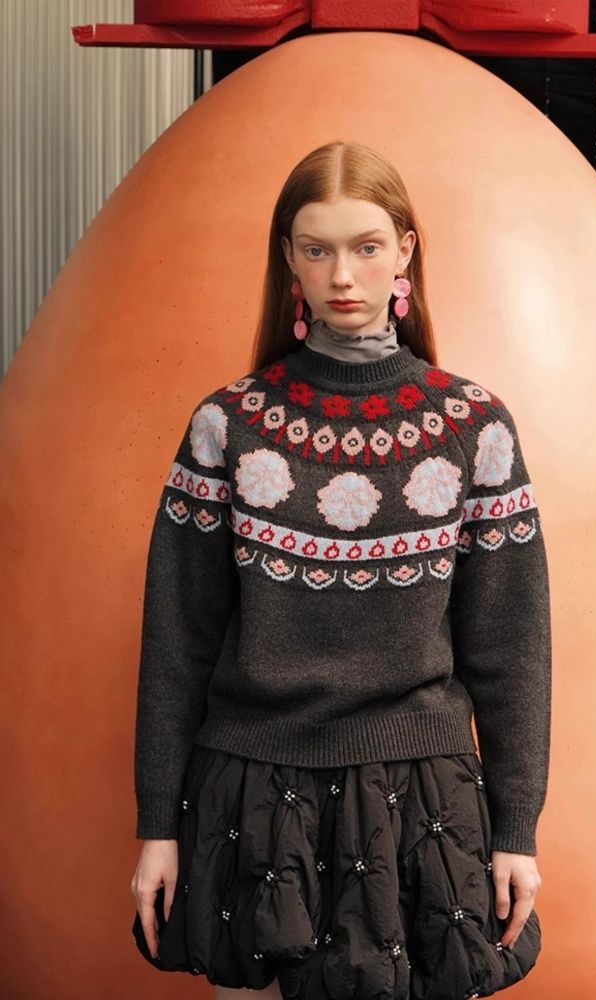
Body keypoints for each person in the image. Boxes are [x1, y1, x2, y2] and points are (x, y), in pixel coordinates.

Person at [130, 140, 552, 1000]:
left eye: (366, 246)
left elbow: (512, 650)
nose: (343, 275)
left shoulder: (475, 428)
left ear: (405, 251)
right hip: (250, 796)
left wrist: (517, 829)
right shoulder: (226, 426)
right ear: (288, 259)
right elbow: (177, 642)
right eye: (317, 249)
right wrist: (156, 825)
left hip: (422, 800)